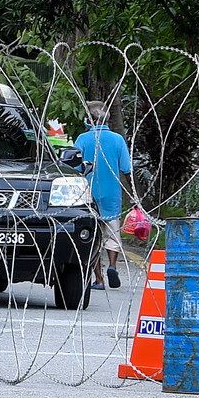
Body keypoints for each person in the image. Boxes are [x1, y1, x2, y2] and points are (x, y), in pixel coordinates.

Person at [74, 100, 133, 290]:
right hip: (111, 193)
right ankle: (113, 266)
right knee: (112, 234)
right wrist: (133, 197)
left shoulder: (82, 139)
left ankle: (98, 279)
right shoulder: (117, 139)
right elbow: (125, 168)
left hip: (87, 193)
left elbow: (73, 166)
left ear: (90, 119)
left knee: (91, 236)